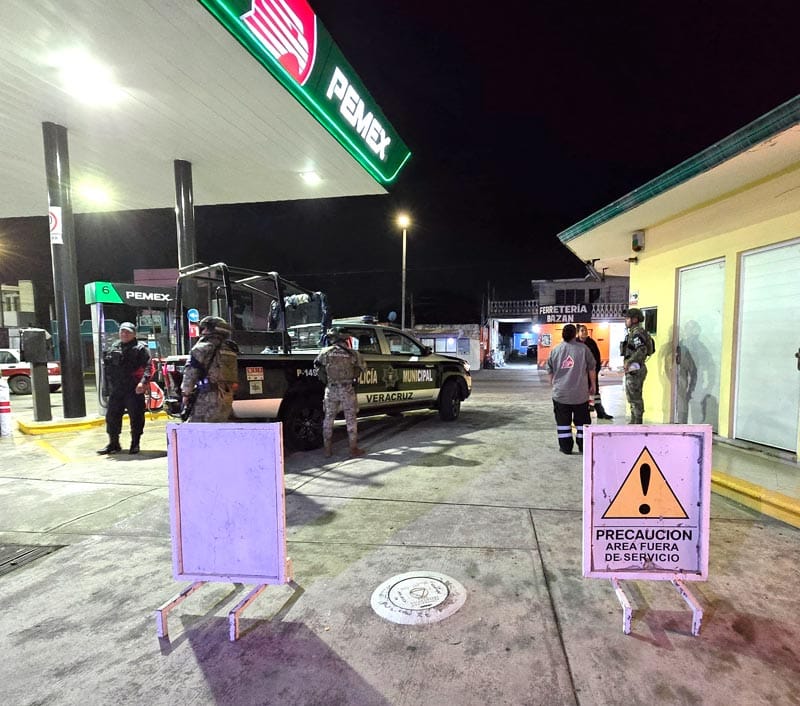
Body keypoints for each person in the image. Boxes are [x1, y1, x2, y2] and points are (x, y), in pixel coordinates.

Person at [98, 321, 151, 455]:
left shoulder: (140, 348)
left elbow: (149, 367)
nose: (124, 334)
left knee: (136, 417)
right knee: (112, 417)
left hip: (133, 388)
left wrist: (143, 383)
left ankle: (135, 443)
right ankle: (113, 444)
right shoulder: (114, 347)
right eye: (122, 331)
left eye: (128, 332)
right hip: (117, 389)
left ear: (134, 334)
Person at [314, 327, 367, 458]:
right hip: (347, 389)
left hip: (331, 389)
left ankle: (327, 450)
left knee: (328, 418)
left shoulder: (325, 352)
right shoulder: (353, 354)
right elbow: (360, 370)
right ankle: (353, 449)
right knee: (351, 419)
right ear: (345, 339)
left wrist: (328, 380)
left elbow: (319, 369)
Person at [546, 324, 596, 454]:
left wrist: (553, 384)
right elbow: (592, 368)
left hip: (561, 394)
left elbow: (549, 370)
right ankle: (583, 446)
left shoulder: (555, 350)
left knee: (563, 423)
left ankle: (566, 448)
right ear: (575, 334)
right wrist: (593, 385)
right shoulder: (584, 349)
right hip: (580, 395)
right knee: (582, 423)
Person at [181, 316, 239, 422]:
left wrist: (186, 394)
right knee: (219, 427)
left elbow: (191, 373)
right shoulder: (230, 350)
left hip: (205, 397)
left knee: (197, 428)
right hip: (226, 397)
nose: (202, 331)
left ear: (209, 330)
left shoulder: (201, 349)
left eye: (204, 328)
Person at [576, 324, 613, 420]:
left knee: (595, 392)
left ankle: (600, 412)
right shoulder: (575, 343)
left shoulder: (591, 342)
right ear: (578, 333)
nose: (584, 332)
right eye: (582, 330)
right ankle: (583, 413)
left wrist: (596, 370)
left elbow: (597, 356)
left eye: (585, 330)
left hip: (591, 373)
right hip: (580, 375)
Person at [622, 308, 650, 424]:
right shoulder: (633, 332)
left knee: (635, 398)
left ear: (634, 319)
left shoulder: (637, 333)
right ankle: (634, 421)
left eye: (628, 318)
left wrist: (629, 361)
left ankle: (637, 422)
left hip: (636, 369)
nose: (626, 320)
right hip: (633, 369)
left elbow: (642, 350)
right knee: (632, 397)